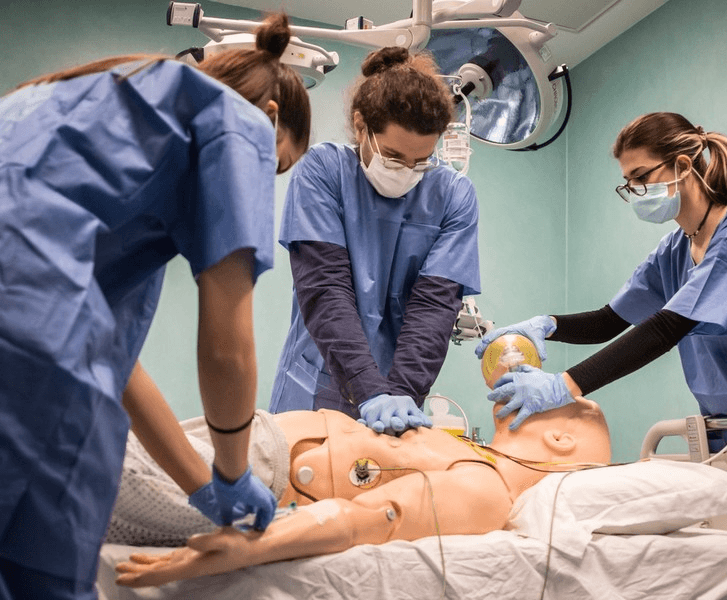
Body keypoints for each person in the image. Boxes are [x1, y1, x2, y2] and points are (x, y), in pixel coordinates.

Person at [0, 12, 311, 599]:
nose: (260, 184)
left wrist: (204, 488)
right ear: (269, 120)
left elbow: (113, 366)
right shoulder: (239, 123)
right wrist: (234, 468)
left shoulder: (80, 98)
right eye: (275, 168)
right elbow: (227, 346)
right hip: (26, 361)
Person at [476, 112, 727, 451]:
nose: (634, 190)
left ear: (682, 166)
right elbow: (609, 321)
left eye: (641, 176)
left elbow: (667, 328)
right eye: (628, 182)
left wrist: (563, 386)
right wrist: (544, 326)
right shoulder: (674, 250)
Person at [112, 394, 611, 588]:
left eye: (548, 393)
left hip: (247, 482)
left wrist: (242, 549)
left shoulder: (488, 492)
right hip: (242, 445)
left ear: (561, 438)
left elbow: (359, 519)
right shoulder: (471, 453)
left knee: (68, 463)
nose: (516, 383)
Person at [269, 46, 481, 436]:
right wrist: (368, 391)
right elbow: (325, 289)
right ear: (361, 125)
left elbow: (434, 307)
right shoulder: (324, 172)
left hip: (399, 396)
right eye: (395, 156)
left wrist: (401, 392)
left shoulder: (453, 196)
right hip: (317, 383)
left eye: (422, 161)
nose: (407, 172)